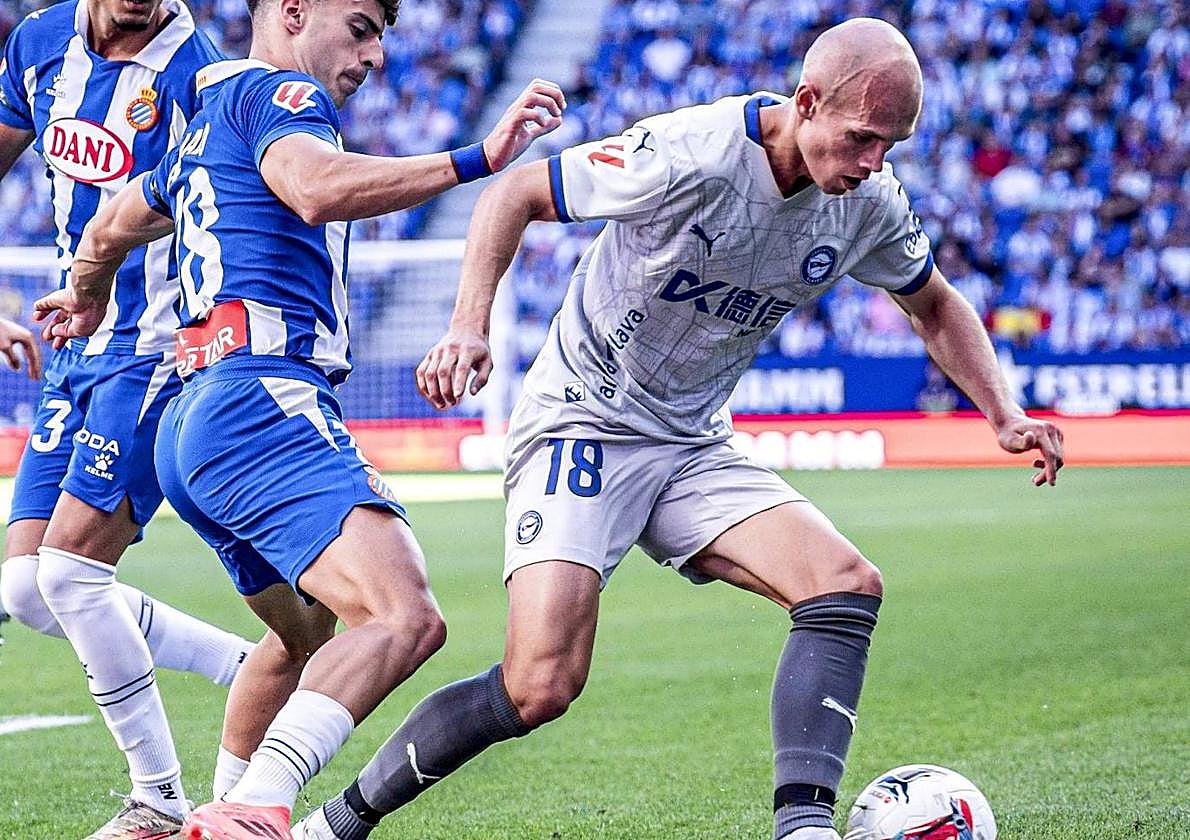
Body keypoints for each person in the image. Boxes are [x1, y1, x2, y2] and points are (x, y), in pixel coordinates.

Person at [295, 17, 1065, 840]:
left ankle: (802, 829)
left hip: (693, 441)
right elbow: (514, 193)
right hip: (582, 420)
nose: (874, 163)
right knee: (541, 683)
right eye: (862, 138)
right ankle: (335, 822)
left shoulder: (867, 205)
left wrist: (1003, 413)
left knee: (845, 584)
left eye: (892, 146)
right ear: (805, 103)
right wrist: (468, 327)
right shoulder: (689, 152)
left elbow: (934, 302)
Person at [33, 0, 566, 834]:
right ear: (292, 11)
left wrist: (89, 290)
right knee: (404, 616)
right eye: (361, 26)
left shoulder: (201, 119)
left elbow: (107, 223)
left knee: (299, 640)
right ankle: (254, 812)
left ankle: (218, 808)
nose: (378, 55)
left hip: (192, 419)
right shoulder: (281, 98)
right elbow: (314, 190)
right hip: (259, 397)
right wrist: (477, 158)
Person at [0, 1, 257, 836]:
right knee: (27, 587)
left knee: (70, 576)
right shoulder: (38, 45)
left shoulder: (196, 71)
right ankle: (248, 666)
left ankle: (157, 800)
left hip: (147, 353)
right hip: (73, 342)